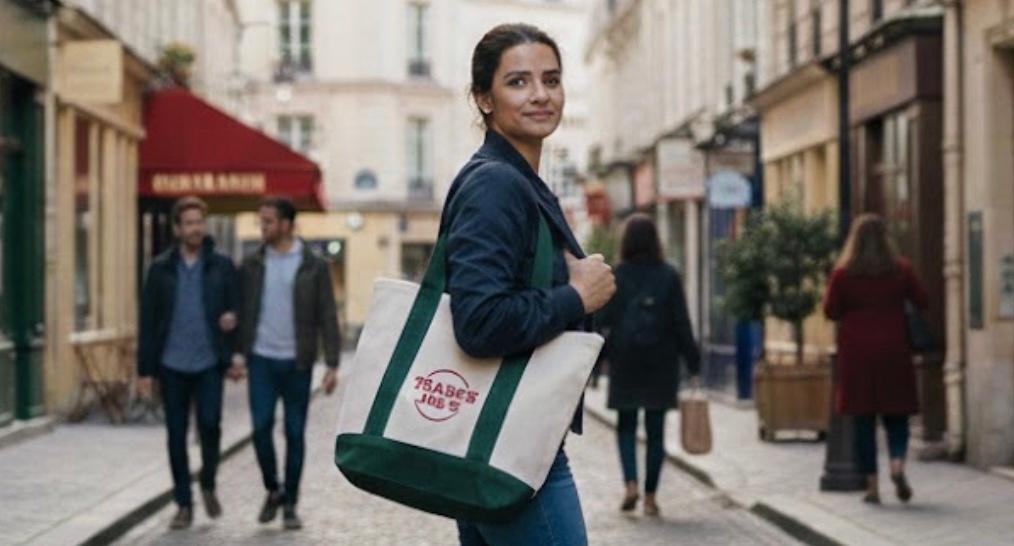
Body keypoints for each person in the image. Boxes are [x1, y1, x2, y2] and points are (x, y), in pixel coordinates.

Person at [446, 23, 615, 546]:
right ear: (484, 98)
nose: (541, 94)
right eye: (518, 82)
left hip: (501, 437)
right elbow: (478, 321)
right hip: (512, 445)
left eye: (552, 79)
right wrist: (576, 296)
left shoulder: (516, 179)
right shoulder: (497, 184)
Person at [231, 196, 341, 530]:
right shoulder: (251, 264)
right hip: (261, 359)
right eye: (260, 221)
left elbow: (327, 314)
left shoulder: (314, 265)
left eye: (268, 221)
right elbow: (241, 311)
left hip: (298, 362)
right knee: (261, 429)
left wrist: (332, 364)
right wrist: (237, 354)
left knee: (294, 433)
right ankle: (273, 488)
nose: (262, 227)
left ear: (286, 224)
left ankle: (290, 503)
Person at [137, 196, 239, 529]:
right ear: (178, 229)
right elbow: (148, 322)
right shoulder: (160, 268)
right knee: (175, 436)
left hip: (209, 362)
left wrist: (232, 321)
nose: (196, 228)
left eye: (200, 222)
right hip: (171, 364)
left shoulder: (221, 265)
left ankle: (207, 481)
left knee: (211, 427)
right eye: (190, 223)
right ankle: (183, 503)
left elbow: (237, 310)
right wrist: (145, 371)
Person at [596, 214, 700, 517]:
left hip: (625, 358)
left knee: (626, 426)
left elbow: (602, 321)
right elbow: (681, 322)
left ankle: (630, 484)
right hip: (661, 359)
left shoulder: (618, 274)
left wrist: (595, 364)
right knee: (655, 432)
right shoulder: (669, 275)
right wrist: (693, 361)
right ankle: (651, 497)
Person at [823, 214, 928, 504]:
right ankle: (897, 464)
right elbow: (923, 300)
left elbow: (830, 310)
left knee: (863, 421)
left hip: (857, 354)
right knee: (897, 415)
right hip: (894, 349)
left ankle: (872, 486)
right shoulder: (901, 270)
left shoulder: (843, 274)